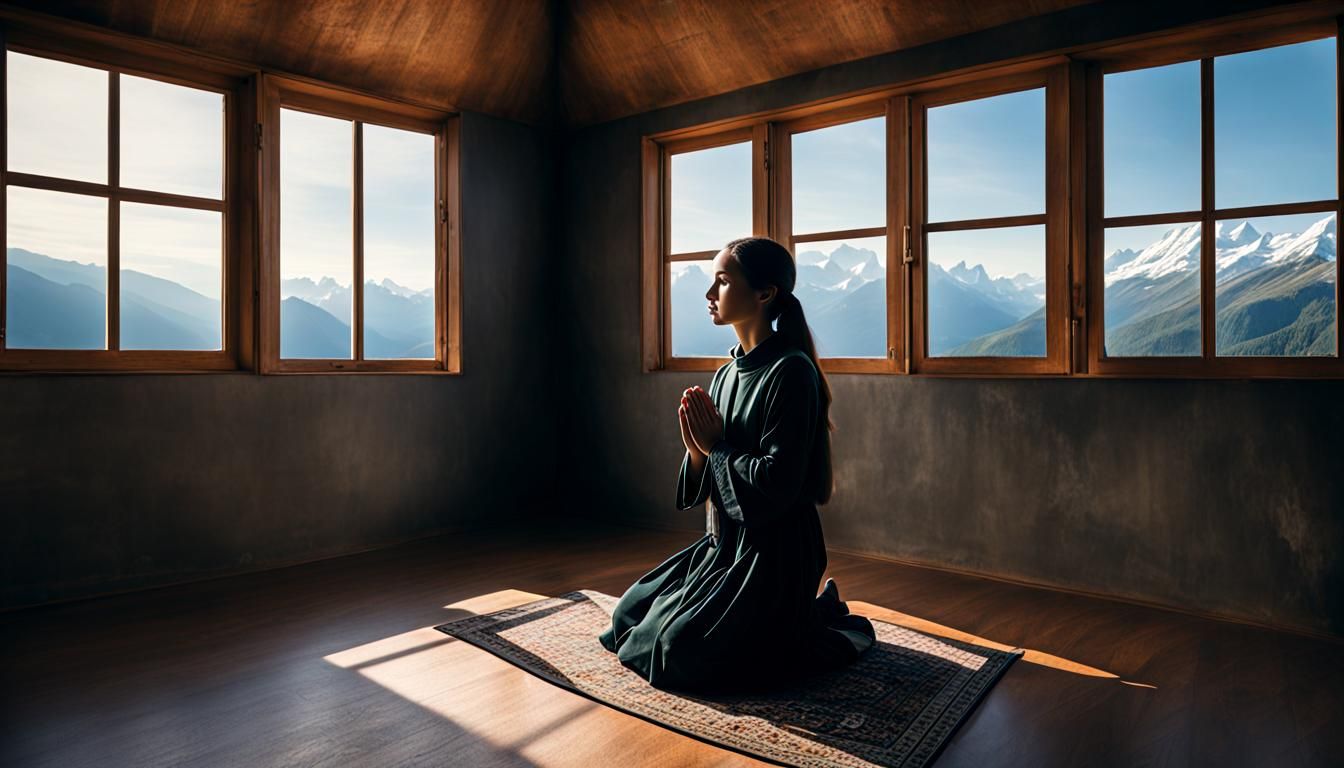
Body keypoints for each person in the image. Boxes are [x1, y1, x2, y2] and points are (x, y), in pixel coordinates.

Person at [597, 236, 876, 694]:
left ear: (765, 294)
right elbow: (711, 467)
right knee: (627, 617)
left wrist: (716, 448)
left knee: (677, 651)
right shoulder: (727, 373)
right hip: (723, 545)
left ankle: (806, 618)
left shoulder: (792, 373)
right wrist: (696, 451)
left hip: (774, 555)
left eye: (722, 282)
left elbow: (778, 483)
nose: (710, 294)